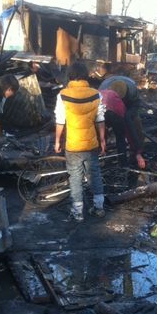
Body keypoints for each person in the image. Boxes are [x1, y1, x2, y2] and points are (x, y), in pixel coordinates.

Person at [54, 62, 106, 222]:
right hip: (91, 145)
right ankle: (99, 208)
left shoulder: (63, 95)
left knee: (75, 178)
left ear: (70, 75)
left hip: (73, 145)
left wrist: (57, 141)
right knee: (95, 175)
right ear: (85, 75)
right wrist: (102, 140)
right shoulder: (96, 94)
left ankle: (77, 213)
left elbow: (60, 120)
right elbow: (100, 119)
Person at [99, 76, 146, 169]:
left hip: (130, 102)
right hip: (106, 109)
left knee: (129, 121)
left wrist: (137, 152)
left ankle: (123, 164)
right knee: (102, 127)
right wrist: (102, 140)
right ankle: (101, 156)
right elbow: (99, 123)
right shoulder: (100, 96)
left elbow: (128, 129)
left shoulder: (131, 93)